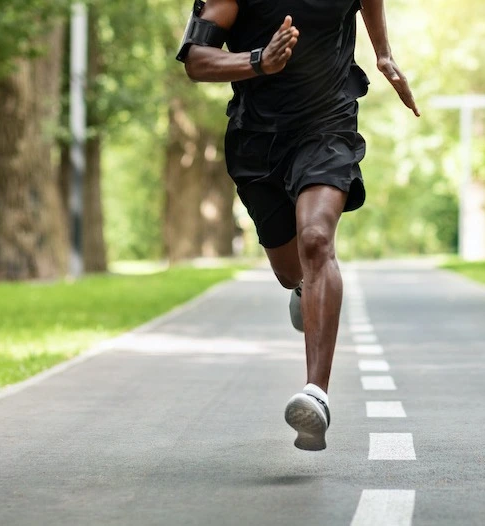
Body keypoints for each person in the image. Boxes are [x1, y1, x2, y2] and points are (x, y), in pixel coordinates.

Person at [178, 0, 419, 451]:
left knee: (316, 240)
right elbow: (195, 60)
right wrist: (258, 61)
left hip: (327, 126)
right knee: (292, 270)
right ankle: (304, 288)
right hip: (257, 141)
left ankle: (316, 396)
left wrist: (383, 52)